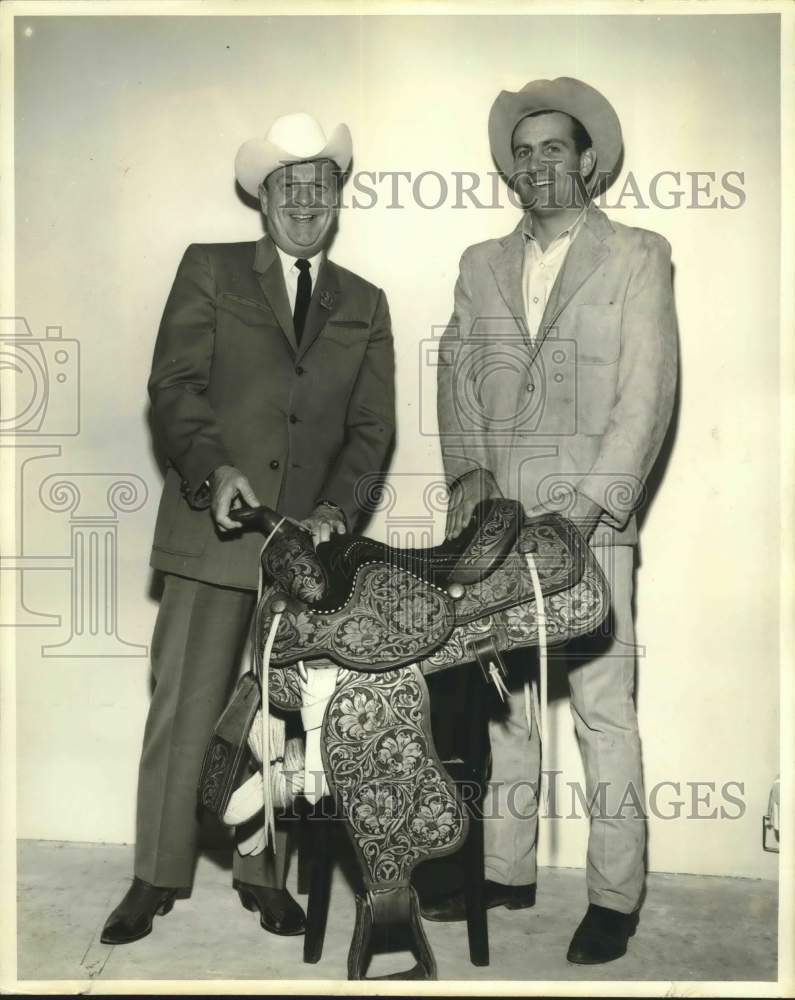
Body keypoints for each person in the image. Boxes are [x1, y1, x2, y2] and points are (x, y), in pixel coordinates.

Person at [101, 112, 396, 945]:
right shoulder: (210, 269)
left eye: (319, 188)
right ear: (262, 202)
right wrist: (212, 470)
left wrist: (340, 510)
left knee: (281, 714)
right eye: (286, 188)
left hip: (306, 554)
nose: (303, 201)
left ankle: (264, 879)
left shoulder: (366, 304)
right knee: (186, 706)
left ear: (337, 201)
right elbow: (174, 386)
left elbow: (372, 431)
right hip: (214, 529)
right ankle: (154, 875)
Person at [430, 77, 677, 964]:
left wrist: (583, 508)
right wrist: (464, 472)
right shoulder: (479, 264)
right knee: (508, 709)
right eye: (522, 151)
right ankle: (505, 872)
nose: (536, 164)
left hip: (591, 523)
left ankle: (614, 896)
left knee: (603, 710)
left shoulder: (638, 254)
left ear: (587, 162)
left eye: (553, 149)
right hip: (497, 526)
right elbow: (454, 376)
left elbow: (646, 394)